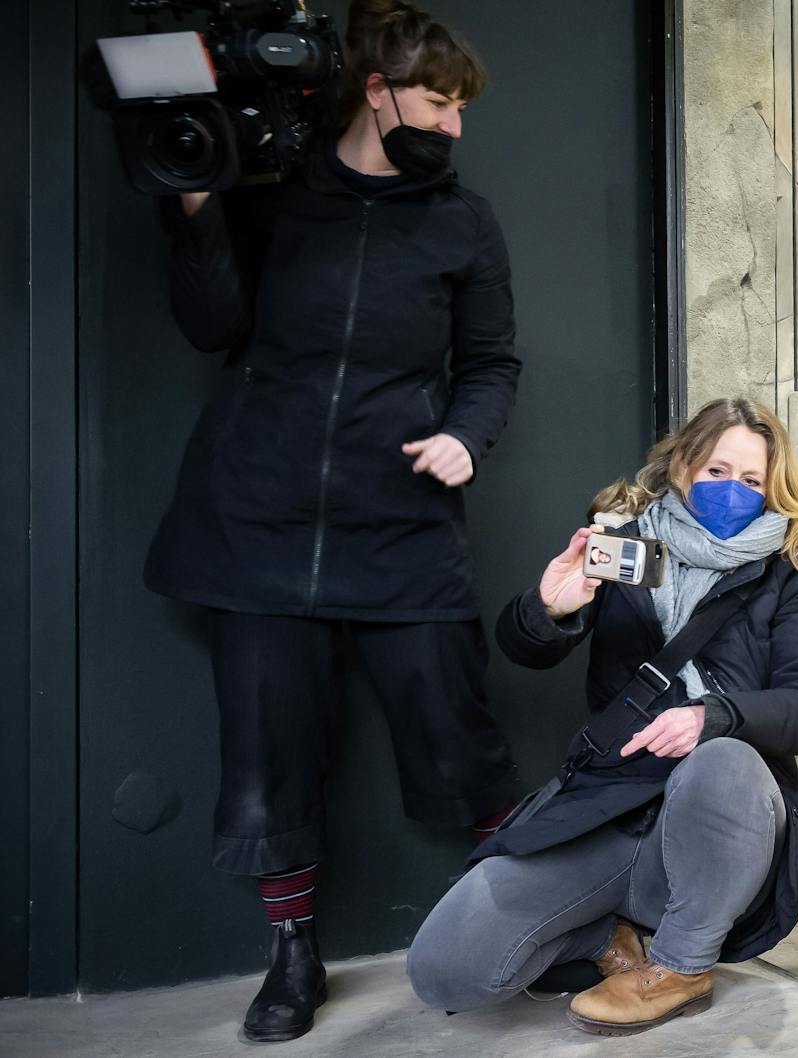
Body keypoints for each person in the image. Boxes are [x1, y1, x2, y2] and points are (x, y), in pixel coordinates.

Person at [142, 0, 520, 1042]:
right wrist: (196, 209)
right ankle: (292, 954)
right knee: (268, 748)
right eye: (437, 102)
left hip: (399, 523)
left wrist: (465, 436)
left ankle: (529, 919)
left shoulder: (463, 221)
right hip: (256, 523)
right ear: (378, 90)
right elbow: (210, 325)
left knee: (455, 730)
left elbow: (492, 362)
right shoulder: (275, 197)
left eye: (460, 108)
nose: (451, 125)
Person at [406, 397, 798, 1037]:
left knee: (723, 760)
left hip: (718, 823)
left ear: (774, 490)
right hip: (608, 805)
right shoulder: (622, 543)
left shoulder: (787, 581)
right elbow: (524, 650)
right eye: (718, 471)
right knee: (444, 969)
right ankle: (606, 937)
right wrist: (551, 608)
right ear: (684, 466)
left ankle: (682, 966)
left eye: (752, 481)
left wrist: (715, 716)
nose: (732, 491)